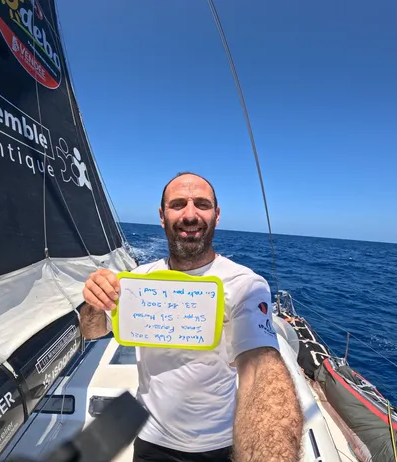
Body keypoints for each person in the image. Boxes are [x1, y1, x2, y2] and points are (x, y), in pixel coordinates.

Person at [81, 172, 303, 462]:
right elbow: (92, 331)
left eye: (201, 204)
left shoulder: (245, 284)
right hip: (150, 440)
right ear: (162, 216)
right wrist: (94, 303)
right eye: (177, 205)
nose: (190, 214)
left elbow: (259, 365)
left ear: (216, 215)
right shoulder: (136, 281)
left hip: (220, 446)